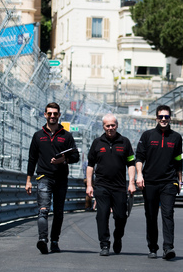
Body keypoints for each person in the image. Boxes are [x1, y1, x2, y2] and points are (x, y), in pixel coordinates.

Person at [26, 102, 79, 254]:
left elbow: (76, 156)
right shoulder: (38, 136)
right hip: (44, 177)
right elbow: (32, 159)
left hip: (61, 178)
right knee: (43, 210)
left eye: (55, 114)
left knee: (59, 212)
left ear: (59, 115)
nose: (52, 116)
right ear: (45, 115)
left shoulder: (66, 136)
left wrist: (64, 160)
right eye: (50, 113)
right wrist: (28, 181)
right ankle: (43, 240)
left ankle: (55, 241)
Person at [134, 105, 183, 261]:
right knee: (151, 215)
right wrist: (139, 175)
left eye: (166, 117)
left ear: (170, 118)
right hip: (150, 182)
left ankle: (168, 247)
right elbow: (139, 158)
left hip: (169, 182)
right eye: (161, 117)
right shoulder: (147, 136)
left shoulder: (176, 137)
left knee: (168, 214)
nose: (163, 119)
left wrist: (180, 180)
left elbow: (178, 161)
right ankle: (152, 247)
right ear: (156, 117)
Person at [86, 113, 136, 256]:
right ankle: (104, 244)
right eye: (107, 126)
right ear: (103, 127)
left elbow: (131, 164)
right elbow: (90, 165)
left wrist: (131, 183)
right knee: (102, 215)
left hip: (119, 187)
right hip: (101, 186)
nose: (110, 128)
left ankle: (118, 237)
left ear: (117, 125)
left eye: (113, 125)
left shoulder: (125, 142)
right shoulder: (97, 143)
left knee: (121, 216)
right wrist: (89, 185)